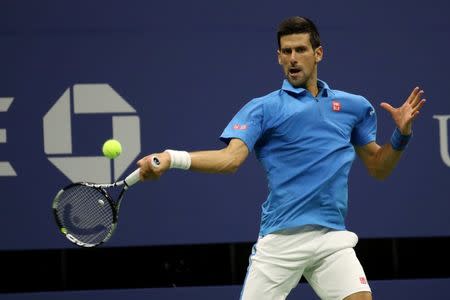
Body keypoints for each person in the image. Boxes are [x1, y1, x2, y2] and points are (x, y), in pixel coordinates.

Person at [137, 16, 426, 300]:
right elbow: (230, 159)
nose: (293, 58)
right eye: (286, 51)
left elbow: (378, 168)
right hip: (281, 240)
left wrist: (400, 135)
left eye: (300, 49)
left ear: (318, 53)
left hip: (331, 237)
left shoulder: (354, 107)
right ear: (278, 57)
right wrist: (171, 157)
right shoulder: (263, 108)